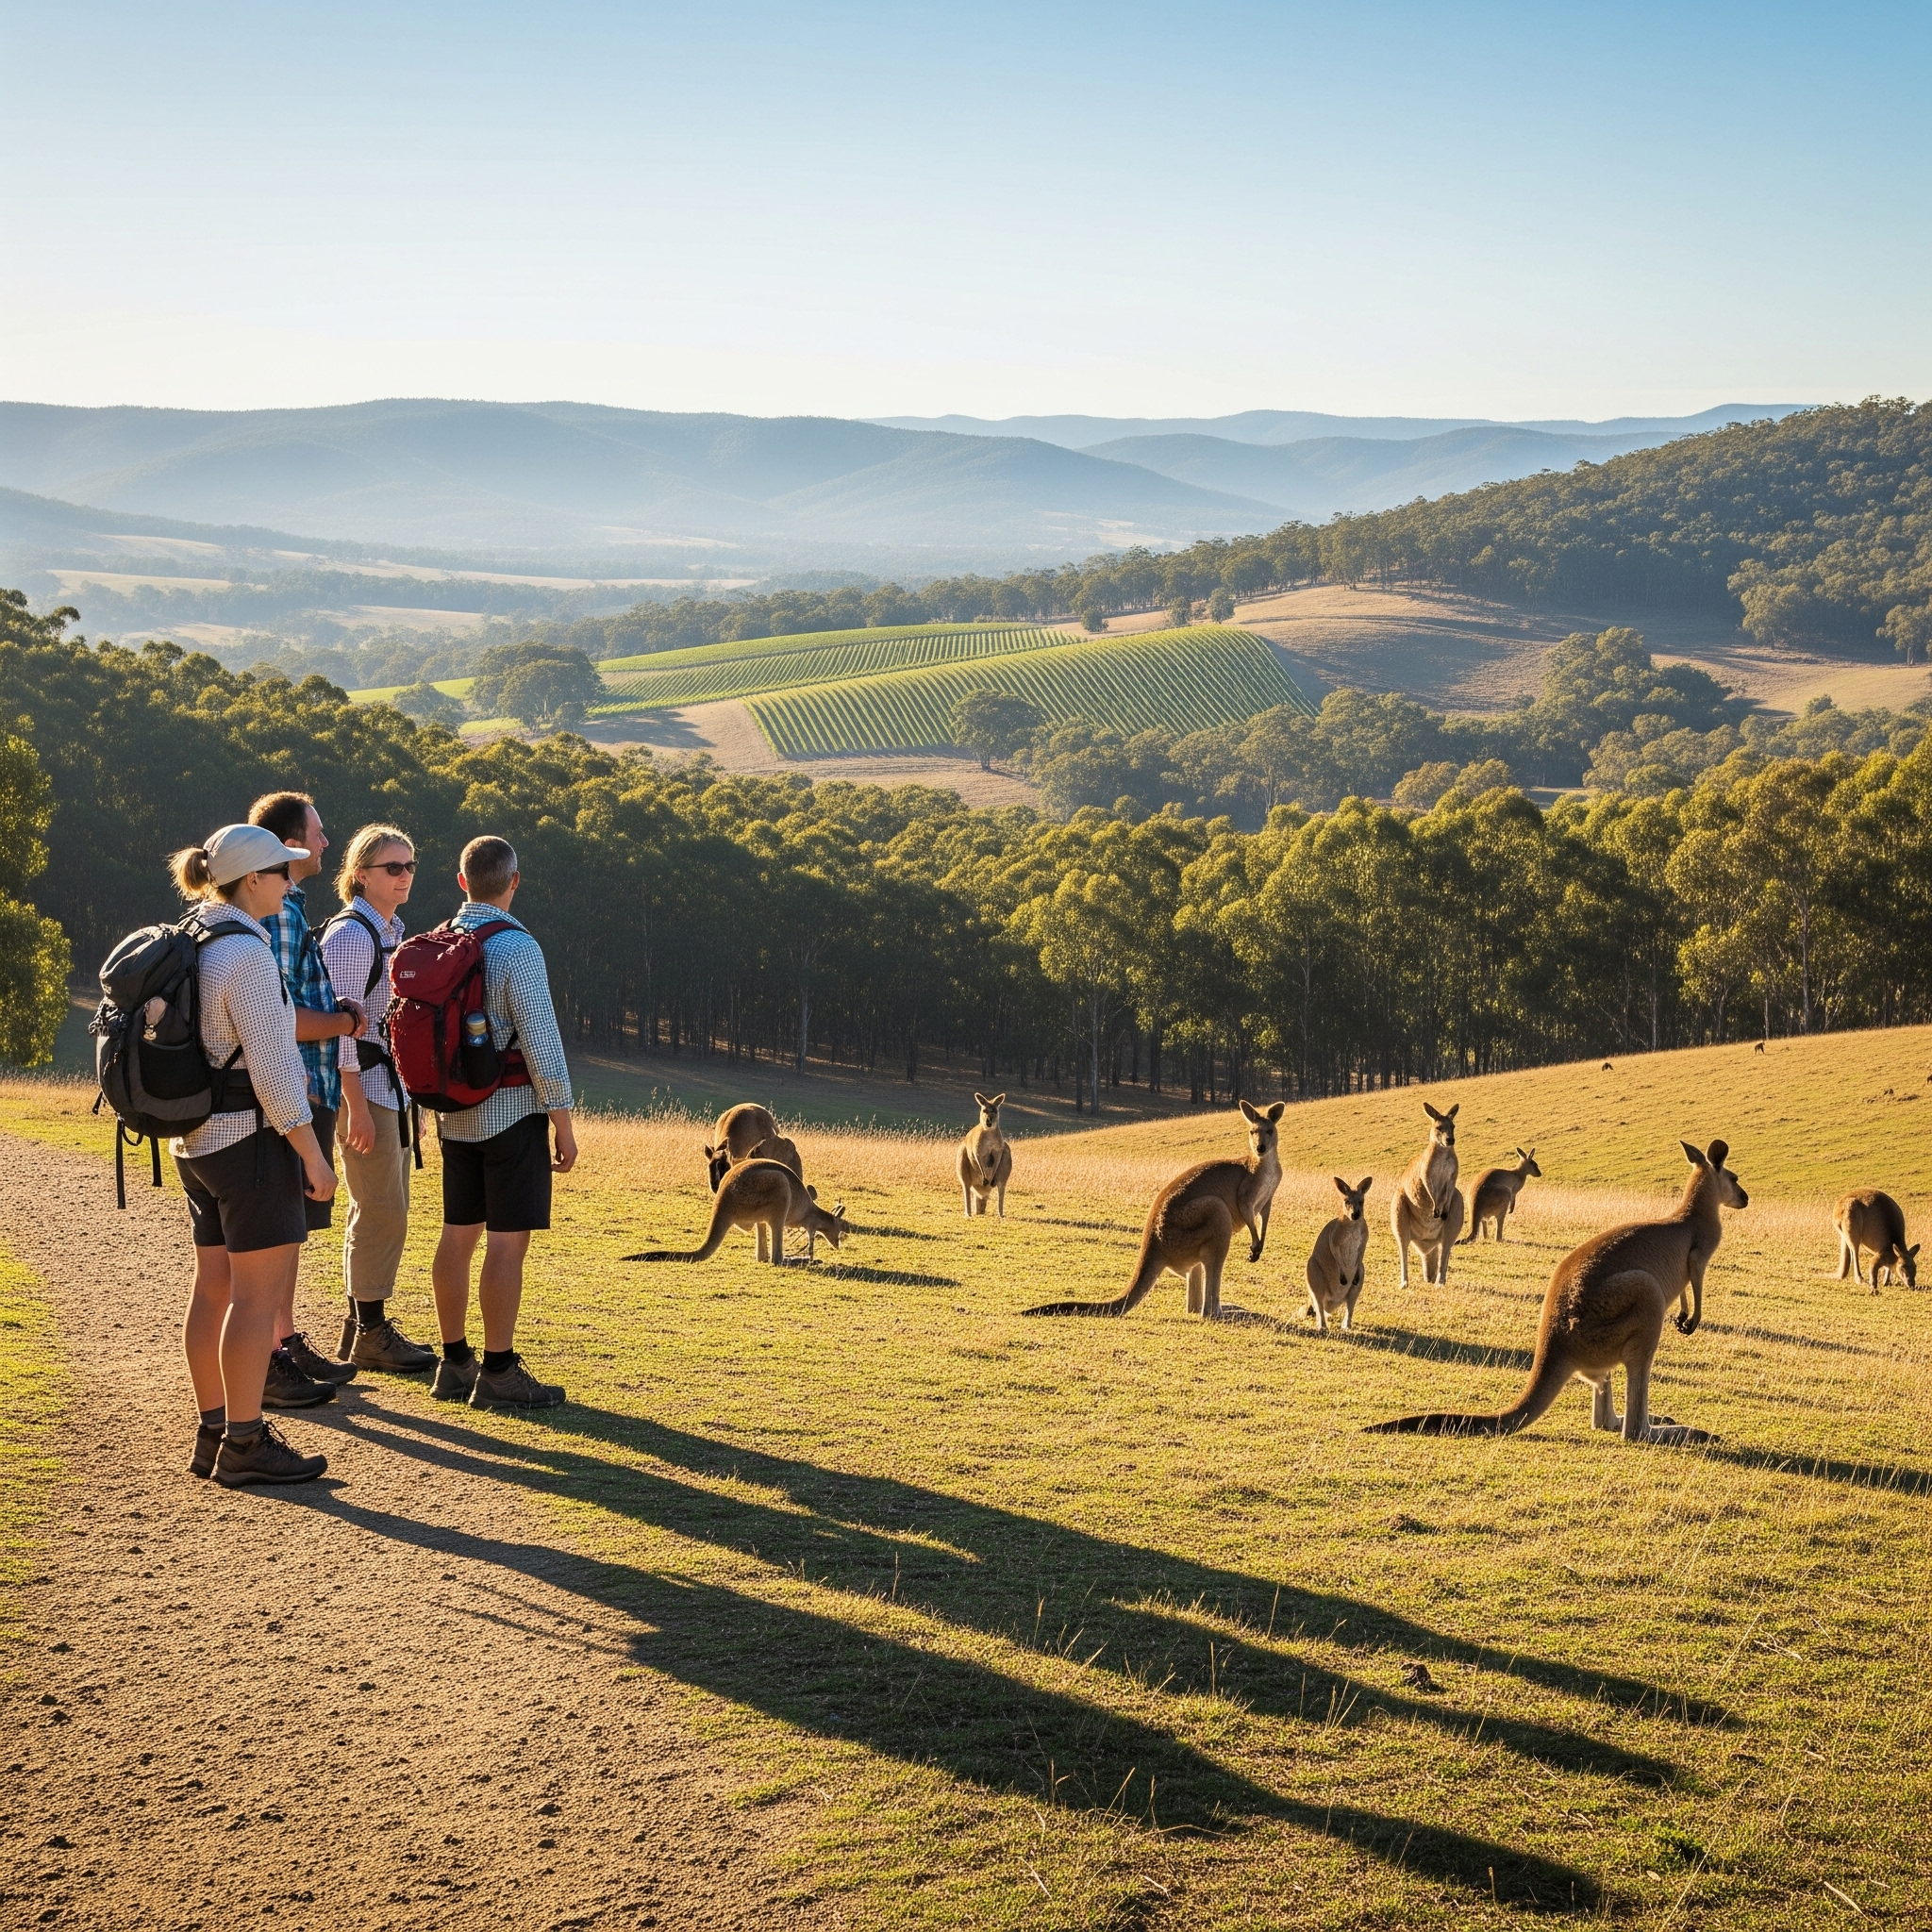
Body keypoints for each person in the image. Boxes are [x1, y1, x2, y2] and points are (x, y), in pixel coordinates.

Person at [170, 823, 339, 1487]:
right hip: (250, 1147)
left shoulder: (196, 935)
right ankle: (245, 1443)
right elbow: (272, 1074)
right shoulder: (247, 955)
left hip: (197, 1143)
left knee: (212, 1291)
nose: (290, 879)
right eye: (281, 871)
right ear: (253, 882)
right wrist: (313, 1159)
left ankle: (214, 1430)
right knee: (254, 1301)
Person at [428, 835, 577, 1409]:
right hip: (511, 1114)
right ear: (514, 881)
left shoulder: (442, 940)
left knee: (457, 1235)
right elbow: (541, 1041)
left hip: (452, 1117)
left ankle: (454, 1362)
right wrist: (562, 1120)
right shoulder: (518, 948)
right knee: (507, 1244)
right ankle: (499, 1372)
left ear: (462, 881)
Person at [246, 791, 367, 1403]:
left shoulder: (288, 906)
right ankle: (269, 1357)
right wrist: (345, 1023)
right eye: (317, 833)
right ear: (290, 842)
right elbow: (281, 1017)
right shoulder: (281, 914)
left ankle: (284, 1343)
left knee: (291, 1228)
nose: (325, 842)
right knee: (277, 1229)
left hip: (304, 1087)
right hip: (289, 1088)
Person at [319, 824, 438, 1372]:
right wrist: (357, 1105)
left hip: (385, 1087)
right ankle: (369, 1330)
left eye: (410, 866)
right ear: (360, 874)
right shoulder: (351, 937)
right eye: (394, 867)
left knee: (386, 1205)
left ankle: (361, 1327)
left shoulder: (389, 929)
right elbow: (341, 1027)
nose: (405, 875)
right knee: (381, 1207)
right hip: (360, 1086)